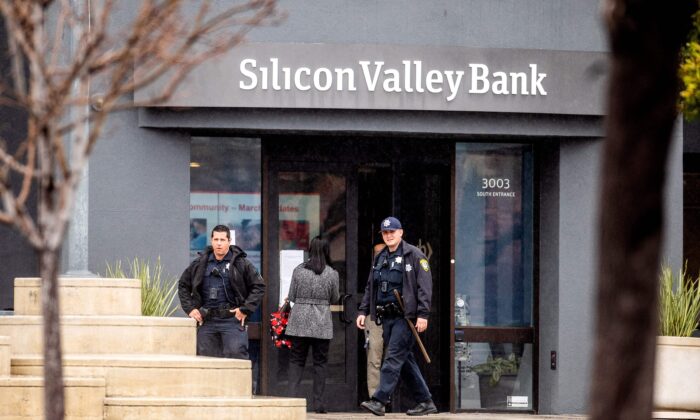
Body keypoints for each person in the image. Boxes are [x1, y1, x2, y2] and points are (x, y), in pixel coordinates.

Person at [356, 217, 438, 416]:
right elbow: (371, 287)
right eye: (385, 233)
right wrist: (363, 311)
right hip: (387, 318)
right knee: (405, 361)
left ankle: (379, 400)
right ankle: (426, 401)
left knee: (392, 358)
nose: (389, 235)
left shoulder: (414, 255)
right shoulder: (380, 257)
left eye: (392, 232)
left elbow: (424, 287)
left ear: (401, 232)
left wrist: (423, 314)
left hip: (406, 317)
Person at [178, 224, 265, 359]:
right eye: (216, 239)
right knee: (205, 363)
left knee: (236, 361)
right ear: (211, 240)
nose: (219, 243)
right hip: (207, 321)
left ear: (229, 242)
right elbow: (183, 285)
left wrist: (245, 309)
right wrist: (190, 309)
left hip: (231, 320)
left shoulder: (241, 263)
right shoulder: (200, 263)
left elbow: (259, 286)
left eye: (223, 240)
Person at [285, 236, 340, 414]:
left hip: (299, 320)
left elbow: (292, 296)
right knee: (320, 363)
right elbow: (334, 298)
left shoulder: (298, 270)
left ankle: (293, 399)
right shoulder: (332, 273)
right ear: (326, 251)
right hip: (321, 322)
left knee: (296, 360)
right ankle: (319, 404)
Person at [365, 243, 386, 397]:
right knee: (374, 359)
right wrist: (362, 312)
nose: (379, 255)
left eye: (382, 252)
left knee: (394, 359)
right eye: (376, 252)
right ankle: (375, 398)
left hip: (394, 318)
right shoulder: (373, 271)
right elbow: (367, 292)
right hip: (374, 318)